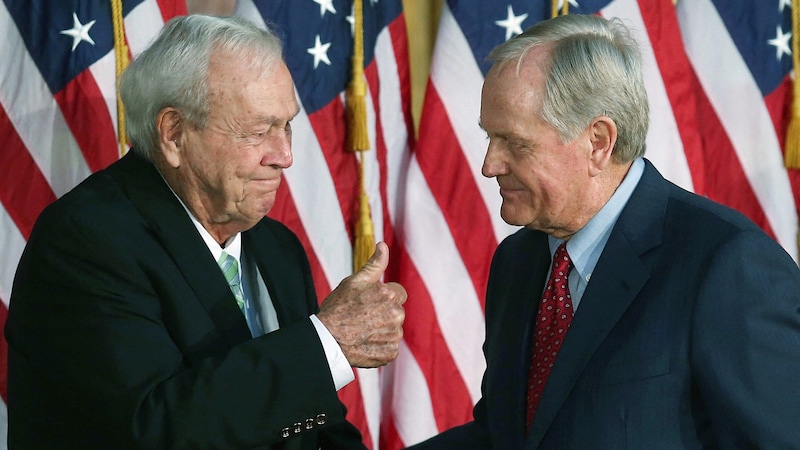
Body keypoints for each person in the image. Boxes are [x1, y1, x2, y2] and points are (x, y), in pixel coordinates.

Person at [5, 15, 406, 449]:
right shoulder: (87, 242)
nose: (285, 156)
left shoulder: (277, 247)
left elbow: (308, 430)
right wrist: (328, 344)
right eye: (258, 131)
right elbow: (152, 430)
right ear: (174, 134)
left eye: (286, 125)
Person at [408, 13, 800, 449]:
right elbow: (506, 436)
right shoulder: (518, 262)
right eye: (489, 138)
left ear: (598, 141)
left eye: (515, 143)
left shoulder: (724, 266)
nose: (489, 165)